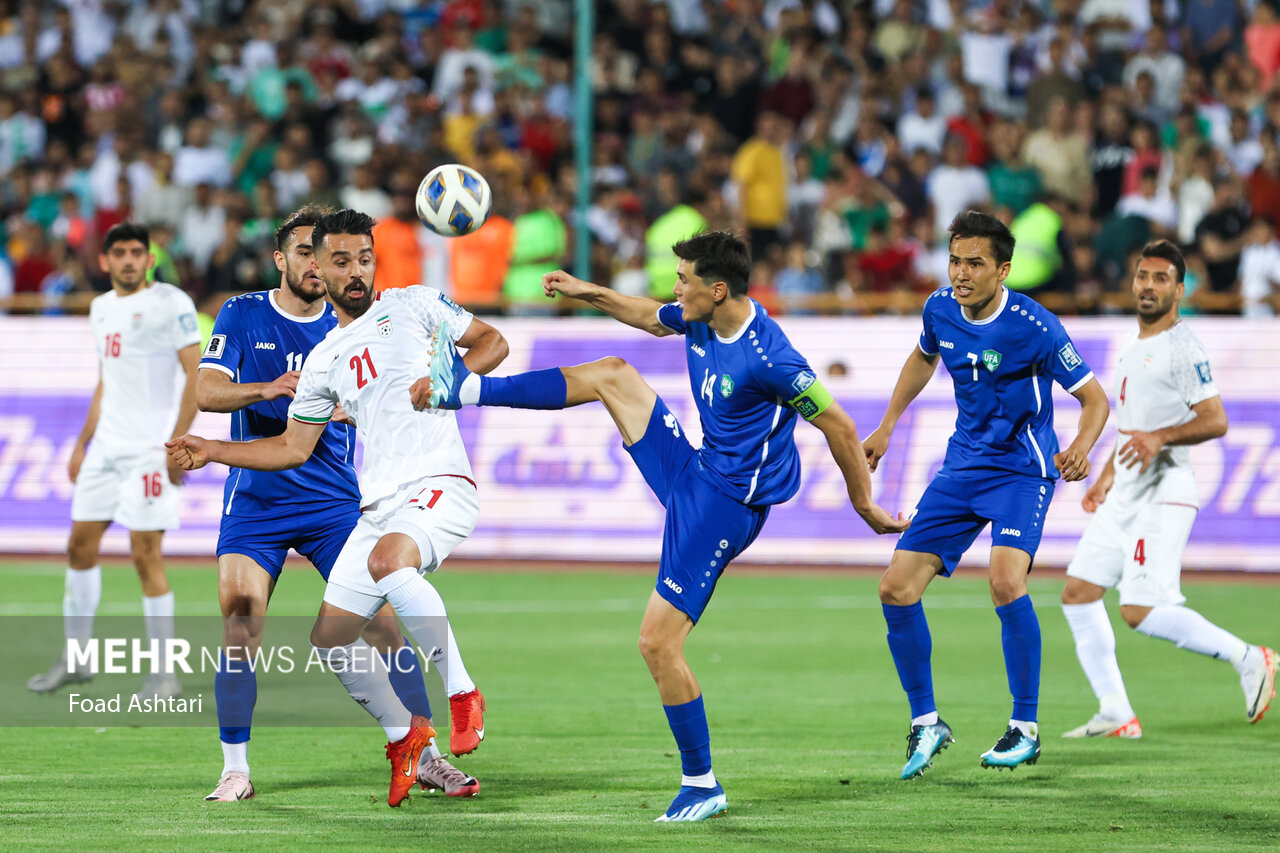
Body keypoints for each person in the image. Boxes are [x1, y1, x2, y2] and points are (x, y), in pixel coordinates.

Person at [421, 230, 907, 821]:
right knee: (613, 373)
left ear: (718, 288)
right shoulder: (703, 316)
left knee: (656, 642)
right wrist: (586, 292)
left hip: (725, 505)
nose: (675, 288)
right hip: (697, 469)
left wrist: (865, 507)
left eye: (684, 279)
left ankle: (702, 784)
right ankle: (466, 388)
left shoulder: (770, 358)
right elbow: (652, 317)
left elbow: (840, 427)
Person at [168, 209, 506, 808]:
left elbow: (485, 345)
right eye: (310, 254)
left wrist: (441, 383)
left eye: (359, 259)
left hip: (336, 499)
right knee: (241, 620)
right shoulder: (246, 314)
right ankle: (235, 770)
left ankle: (426, 755)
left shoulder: (361, 325)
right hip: (258, 500)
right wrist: (269, 389)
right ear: (291, 260)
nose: (327, 269)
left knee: (379, 625)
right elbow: (209, 391)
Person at [863, 210, 1110, 778]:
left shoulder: (1036, 325)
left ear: (1003, 269)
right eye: (954, 260)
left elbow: (1095, 399)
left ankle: (1025, 727)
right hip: (962, 466)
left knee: (1005, 580)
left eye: (974, 263)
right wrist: (888, 425)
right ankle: (926, 722)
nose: (960, 273)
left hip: (1023, 471)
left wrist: (1080, 446)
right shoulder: (938, 308)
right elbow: (924, 356)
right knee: (895, 589)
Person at [1060, 240, 1276, 737]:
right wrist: (1108, 474)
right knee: (1078, 593)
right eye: (1142, 276)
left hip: (1165, 492)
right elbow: (1135, 424)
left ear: (1179, 289)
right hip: (1126, 491)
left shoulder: (1183, 346)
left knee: (1139, 609)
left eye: (1161, 279)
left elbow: (1215, 419)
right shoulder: (1134, 348)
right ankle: (1116, 710)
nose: (1148, 286)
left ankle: (1249, 657)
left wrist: (1162, 438)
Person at [28, 222, 201, 702]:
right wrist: (83, 442)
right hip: (106, 448)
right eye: (119, 253)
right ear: (104, 261)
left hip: (150, 451)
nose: (128, 260)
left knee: (146, 555)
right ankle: (76, 659)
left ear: (150, 259)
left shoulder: (172, 303)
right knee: (78, 548)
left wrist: (177, 442)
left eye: (136, 252)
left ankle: (165, 673)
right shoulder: (100, 308)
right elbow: (107, 378)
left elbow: (195, 376)